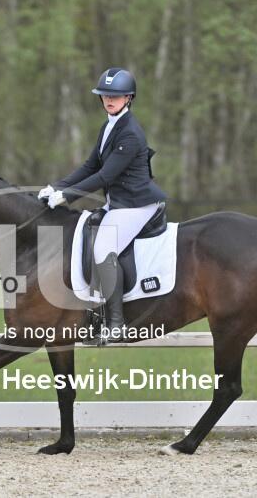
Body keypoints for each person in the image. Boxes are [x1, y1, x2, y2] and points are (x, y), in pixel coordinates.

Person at [38, 67, 167, 345]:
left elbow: (105, 176)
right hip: (119, 203)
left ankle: (116, 323)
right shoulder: (109, 126)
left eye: (116, 96)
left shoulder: (130, 133)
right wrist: (58, 187)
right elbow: (90, 166)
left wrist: (68, 196)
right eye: (106, 95)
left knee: (103, 247)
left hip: (136, 205)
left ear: (128, 98)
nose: (109, 100)